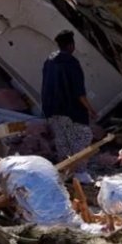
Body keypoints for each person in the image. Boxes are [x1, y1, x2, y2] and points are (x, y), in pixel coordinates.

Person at [41, 30, 98, 184]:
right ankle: (80, 173)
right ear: (71, 45)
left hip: (51, 109)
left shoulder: (49, 61)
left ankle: (66, 172)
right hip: (70, 110)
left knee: (62, 140)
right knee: (83, 137)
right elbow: (79, 92)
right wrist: (90, 109)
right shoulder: (71, 63)